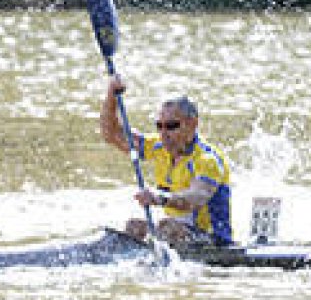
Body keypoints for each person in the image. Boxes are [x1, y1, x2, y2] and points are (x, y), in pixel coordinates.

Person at [99, 75, 233, 246]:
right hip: (173, 231)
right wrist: (111, 95)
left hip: (212, 238)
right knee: (134, 227)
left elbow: (195, 198)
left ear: (192, 124)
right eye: (159, 126)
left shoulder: (207, 160)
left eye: (171, 126)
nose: (163, 133)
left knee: (167, 227)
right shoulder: (158, 147)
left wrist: (158, 198)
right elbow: (111, 134)